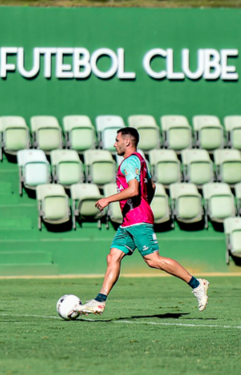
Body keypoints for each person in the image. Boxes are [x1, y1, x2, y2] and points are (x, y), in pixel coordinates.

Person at [74, 127, 209, 316]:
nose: (114, 144)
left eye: (117, 140)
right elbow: (151, 186)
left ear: (127, 142)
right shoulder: (139, 160)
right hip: (130, 221)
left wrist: (107, 199)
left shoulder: (130, 162)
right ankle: (99, 301)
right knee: (113, 257)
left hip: (138, 220)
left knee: (153, 260)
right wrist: (145, 204)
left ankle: (197, 284)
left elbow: (134, 190)